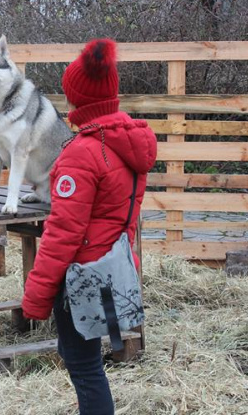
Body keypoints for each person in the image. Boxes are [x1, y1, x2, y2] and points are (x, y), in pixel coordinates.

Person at [22, 38, 157, 414]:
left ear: (76, 99)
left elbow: (63, 233)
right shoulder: (128, 142)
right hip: (115, 267)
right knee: (84, 358)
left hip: (82, 276)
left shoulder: (82, 153)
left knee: (84, 366)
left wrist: (36, 294)